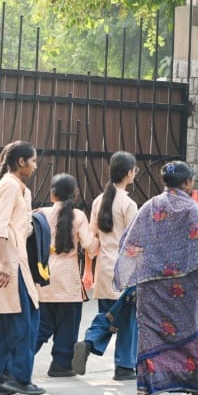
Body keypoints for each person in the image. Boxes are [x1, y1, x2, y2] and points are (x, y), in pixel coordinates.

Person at [114, 161, 198, 395]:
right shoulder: (191, 209)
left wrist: (132, 272)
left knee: (149, 334)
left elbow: (131, 242)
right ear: (187, 183)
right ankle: (196, 382)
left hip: (151, 284)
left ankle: (143, 389)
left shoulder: (150, 206)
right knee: (196, 330)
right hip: (184, 288)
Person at [0, 141, 46, 395]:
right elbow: (1, 227)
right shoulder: (9, 186)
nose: (35, 166)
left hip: (5, 259)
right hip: (8, 261)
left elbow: (13, 225)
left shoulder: (13, 187)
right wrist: (6, 264)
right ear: (21, 162)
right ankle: (19, 378)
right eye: (33, 160)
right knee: (24, 323)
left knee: (2, 323)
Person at [73, 151, 139, 381]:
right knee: (127, 319)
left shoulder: (99, 201)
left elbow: (92, 241)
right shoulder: (129, 204)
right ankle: (123, 364)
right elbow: (135, 242)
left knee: (110, 314)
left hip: (103, 268)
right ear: (129, 173)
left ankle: (91, 342)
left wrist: (88, 270)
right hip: (125, 270)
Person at [35, 173, 98, 377]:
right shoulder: (78, 216)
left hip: (44, 276)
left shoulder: (41, 213)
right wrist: (99, 238)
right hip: (68, 279)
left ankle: (17, 357)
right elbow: (90, 246)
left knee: (42, 325)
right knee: (68, 322)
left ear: (52, 194)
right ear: (74, 195)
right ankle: (61, 363)